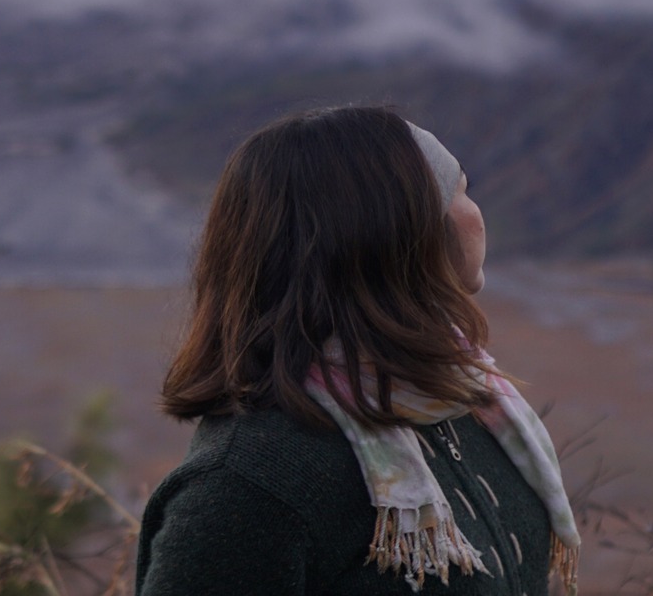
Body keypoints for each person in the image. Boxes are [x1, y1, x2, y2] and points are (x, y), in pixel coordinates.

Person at [135, 106, 579, 595]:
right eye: (462, 189)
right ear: (396, 231)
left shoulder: (461, 404)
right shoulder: (248, 486)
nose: (476, 213)